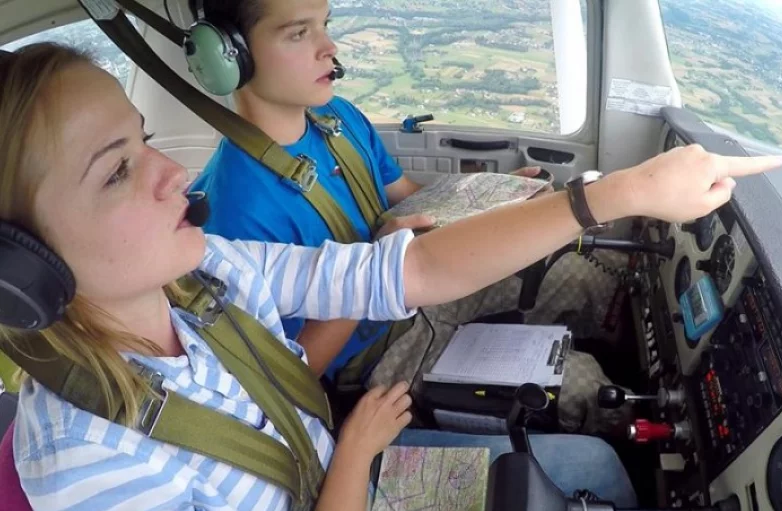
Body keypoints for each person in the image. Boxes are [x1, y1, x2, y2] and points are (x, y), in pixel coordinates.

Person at [0, 43, 782, 511]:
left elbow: (407, 273)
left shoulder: (206, 275)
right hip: (343, 489)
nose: (174, 173)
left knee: (599, 473)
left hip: (346, 466)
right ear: (22, 267)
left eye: (141, 140)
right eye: (116, 171)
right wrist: (352, 460)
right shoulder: (84, 459)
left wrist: (617, 193)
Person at [187, 0, 636, 433]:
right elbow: (293, 375)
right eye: (299, 33)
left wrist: (491, 197)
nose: (330, 47)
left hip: (429, 282)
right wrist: (373, 263)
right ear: (233, 54)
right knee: (585, 388)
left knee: (589, 272)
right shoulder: (232, 212)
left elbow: (409, 199)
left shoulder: (336, 119)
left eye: (325, 24)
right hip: (376, 355)